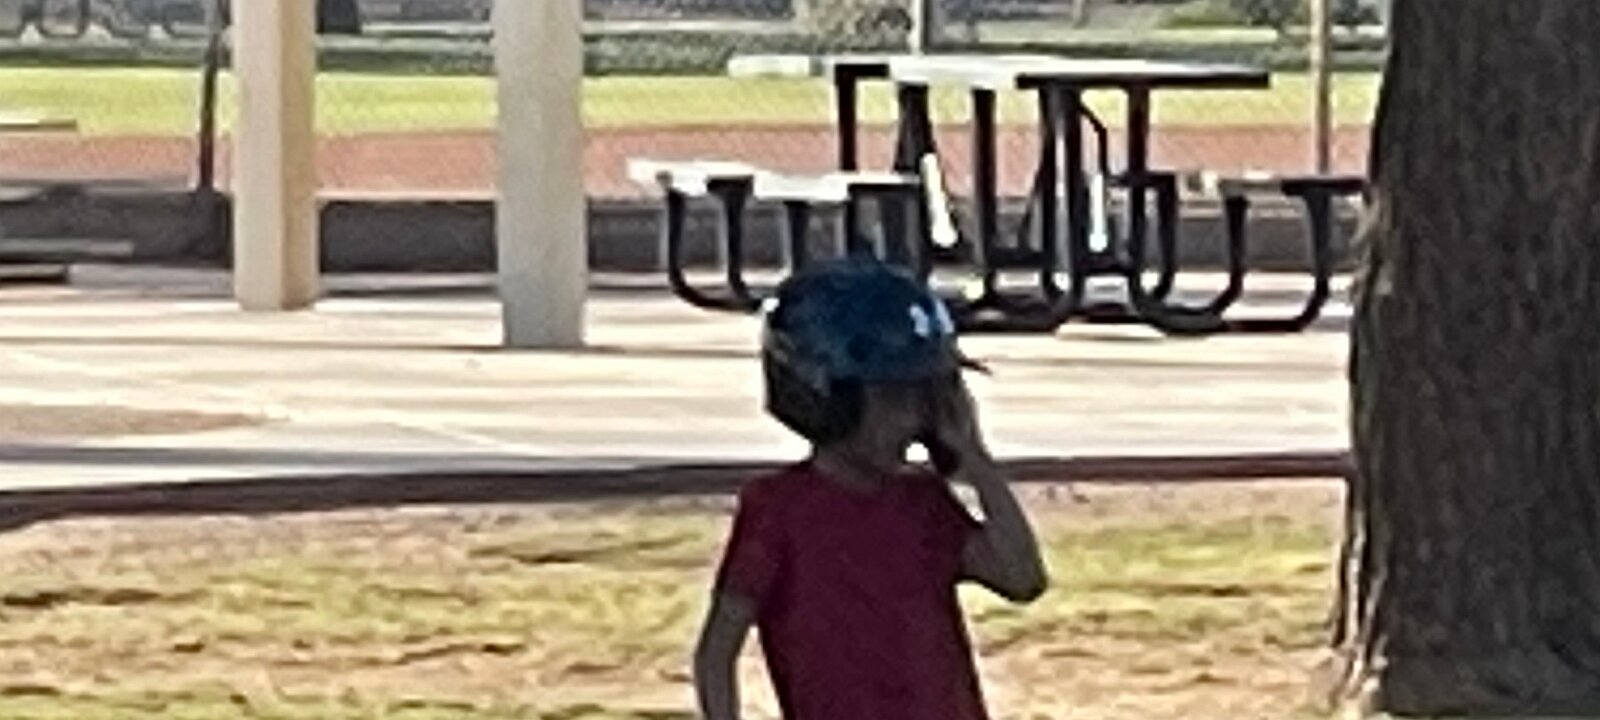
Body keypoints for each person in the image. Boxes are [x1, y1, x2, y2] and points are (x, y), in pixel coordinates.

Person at [693, 259, 1049, 720]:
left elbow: (1022, 579)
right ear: (826, 395)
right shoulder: (779, 510)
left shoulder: (924, 503)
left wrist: (975, 461)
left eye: (925, 401)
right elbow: (718, 650)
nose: (913, 419)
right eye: (894, 401)